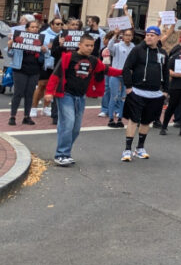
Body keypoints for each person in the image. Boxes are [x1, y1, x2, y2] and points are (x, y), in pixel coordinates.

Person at [44, 34, 123, 166]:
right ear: (79, 45)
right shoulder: (69, 57)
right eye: (87, 45)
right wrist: (49, 92)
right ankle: (61, 154)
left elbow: (106, 70)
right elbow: (56, 75)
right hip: (66, 95)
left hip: (80, 97)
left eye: (92, 46)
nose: (90, 48)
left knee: (75, 128)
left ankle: (66, 153)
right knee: (68, 124)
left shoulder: (93, 60)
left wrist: (122, 71)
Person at [120, 26, 169, 162]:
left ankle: (140, 148)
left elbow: (165, 72)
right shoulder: (137, 50)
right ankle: (127, 149)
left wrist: (165, 91)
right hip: (137, 91)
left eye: (152, 35)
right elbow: (126, 68)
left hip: (155, 93)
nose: (149, 37)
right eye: (147, 34)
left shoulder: (163, 53)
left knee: (147, 121)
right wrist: (129, 87)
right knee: (133, 120)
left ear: (158, 37)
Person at [7, 21, 46, 125]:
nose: (35, 29)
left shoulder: (40, 40)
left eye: (36, 27)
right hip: (20, 69)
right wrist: (10, 45)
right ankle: (13, 116)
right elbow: (10, 54)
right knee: (18, 93)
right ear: (27, 29)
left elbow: (45, 57)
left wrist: (44, 50)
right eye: (32, 27)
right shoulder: (19, 38)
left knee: (29, 94)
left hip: (34, 70)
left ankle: (26, 116)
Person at [31, 17, 64, 118]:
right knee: (42, 85)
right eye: (57, 24)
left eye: (61, 24)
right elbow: (37, 46)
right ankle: (34, 108)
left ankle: (46, 107)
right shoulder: (44, 34)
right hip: (45, 63)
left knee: (52, 86)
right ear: (52, 25)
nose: (60, 26)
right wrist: (43, 49)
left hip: (57, 63)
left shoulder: (63, 35)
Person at [106, 28, 135, 128]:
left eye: (130, 35)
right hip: (115, 74)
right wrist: (115, 35)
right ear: (122, 36)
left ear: (132, 37)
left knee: (123, 98)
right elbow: (109, 47)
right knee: (114, 96)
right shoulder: (117, 45)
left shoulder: (133, 47)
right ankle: (110, 118)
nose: (128, 37)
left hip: (126, 76)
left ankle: (119, 119)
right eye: (126, 35)